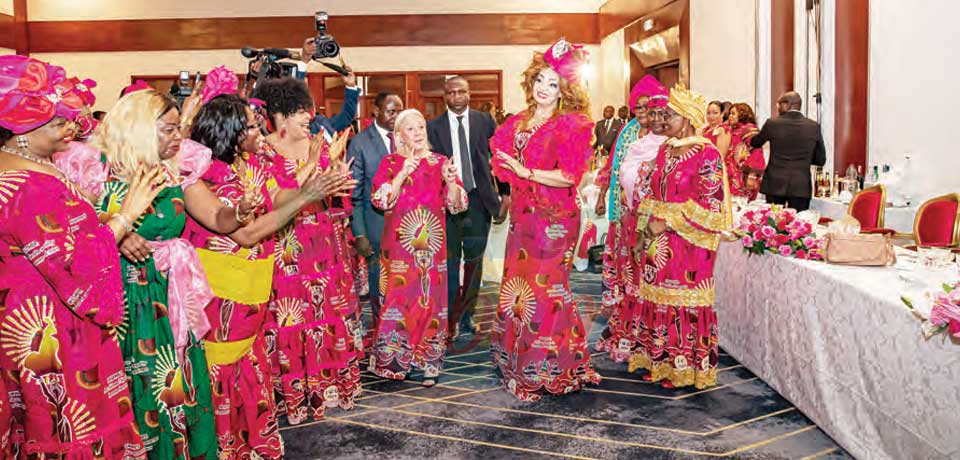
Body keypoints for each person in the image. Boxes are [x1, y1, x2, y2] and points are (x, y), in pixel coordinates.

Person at [88, 88, 266, 460]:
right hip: (129, 299)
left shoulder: (172, 172)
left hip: (171, 294)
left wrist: (240, 211)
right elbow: (78, 228)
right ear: (137, 129)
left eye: (177, 128)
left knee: (178, 379)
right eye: (168, 130)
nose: (179, 137)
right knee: (142, 385)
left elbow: (218, 219)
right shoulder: (95, 172)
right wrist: (116, 229)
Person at [0, 55, 159, 458]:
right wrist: (126, 215)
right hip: (53, 328)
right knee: (68, 429)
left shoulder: (30, 166)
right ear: (21, 129)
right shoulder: (27, 185)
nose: (70, 127)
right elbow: (73, 267)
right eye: (57, 121)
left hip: (37, 317)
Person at [185, 94, 349, 459]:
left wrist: (315, 187)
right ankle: (221, 447)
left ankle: (249, 442)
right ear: (229, 131)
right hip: (221, 292)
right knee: (221, 369)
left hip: (254, 283)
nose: (260, 130)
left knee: (249, 362)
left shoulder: (250, 163)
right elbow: (244, 233)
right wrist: (306, 197)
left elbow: (275, 197)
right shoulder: (198, 177)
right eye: (252, 125)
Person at [490, 38, 601, 401]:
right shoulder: (519, 122)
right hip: (523, 217)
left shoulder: (572, 124)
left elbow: (570, 177)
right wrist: (513, 171)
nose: (544, 88)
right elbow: (503, 165)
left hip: (555, 219)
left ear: (564, 89)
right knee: (519, 286)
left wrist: (526, 170)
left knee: (548, 288)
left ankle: (549, 365)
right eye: (540, 80)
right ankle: (518, 361)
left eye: (553, 83)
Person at [250, 76, 364, 423]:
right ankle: (295, 394)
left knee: (327, 313)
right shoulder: (263, 150)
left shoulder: (319, 143)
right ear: (280, 115)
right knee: (292, 316)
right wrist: (312, 169)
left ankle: (330, 385)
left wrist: (339, 178)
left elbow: (330, 191)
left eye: (308, 110)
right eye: (300, 111)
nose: (308, 117)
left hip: (325, 243)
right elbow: (273, 201)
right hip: (287, 245)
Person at [630, 82, 731, 389]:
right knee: (656, 300)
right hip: (657, 240)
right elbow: (649, 195)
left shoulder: (708, 154)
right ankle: (657, 360)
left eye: (668, 115)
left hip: (690, 242)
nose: (661, 120)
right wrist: (641, 235)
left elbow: (711, 204)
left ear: (686, 118)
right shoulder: (665, 150)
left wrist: (668, 223)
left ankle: (683, 368)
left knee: (681, 304)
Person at [369, 109, 467, 386]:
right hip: (398, 251)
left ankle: (430, 364)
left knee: (430, 302)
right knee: (398, 302)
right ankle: (397, 361)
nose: (418, 133)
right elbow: (381, 201)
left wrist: (450, 182)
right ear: (399, 136)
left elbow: (457, 205)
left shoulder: (439, 162)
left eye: (421, 127)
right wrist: (401, 174)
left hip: (431, 251)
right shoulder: (389, 163)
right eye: (410, 129)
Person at [593, 75, 669, 363]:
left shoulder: (668, 138)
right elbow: (611, 168)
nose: (642, 112)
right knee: (624, 269)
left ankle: (647, 329)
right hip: (622, 214)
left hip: (652, 221)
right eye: (637, 107)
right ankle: (623, 321)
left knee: (644, 272)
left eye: (647, 107)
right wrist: (602, 196)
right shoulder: (627, 133)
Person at [426, 76, 508, 343]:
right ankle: (451, 317)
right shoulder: (433, 127)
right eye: (452, 93)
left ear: (469, 94)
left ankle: (468, 314)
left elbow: (498, 158)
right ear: (445, 96)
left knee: (474, 263)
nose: (457, 97)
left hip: (478, 201)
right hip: (447, 204)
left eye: (462, 92)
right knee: (449, 263)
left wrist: (504, 194)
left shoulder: (484, 121)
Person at [347, 92, 404, 325]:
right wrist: (359, 233)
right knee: (379, 283)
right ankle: (383, 331)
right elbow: (354, 194)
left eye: (400, 111)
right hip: (376, 227)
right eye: (391, 111)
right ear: (376, 112)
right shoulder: (360, 143)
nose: (396, 116)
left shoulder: (409, 138)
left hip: (408, 226)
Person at [748, 91, 825, 211]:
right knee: (799, 225)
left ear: (788, 104)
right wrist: (804, 160)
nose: (777, 108)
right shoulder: (813, 126)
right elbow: (821, 160)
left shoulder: (772, 123)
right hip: (801, 185)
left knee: (773, 223)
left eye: (779, 104)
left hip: (775, 183)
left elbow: (755, 143)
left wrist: (753, 135)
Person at [300, 38, 360, 137]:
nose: (307, 113)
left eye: (309, 107)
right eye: (301, 111)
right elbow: (295, 90)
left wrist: (351, 86)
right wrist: (304, 61)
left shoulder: (321, 124)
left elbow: (347, 115)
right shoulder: (290, 131)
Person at [727, 103, 766, 200]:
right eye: (729, 114)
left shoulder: (749, 130)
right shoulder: (733, 130)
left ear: (742, 114)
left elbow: (757, 153)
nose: (729, 117)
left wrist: (752, 176)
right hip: (733, 175)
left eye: (733, 113)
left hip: (745, 176)